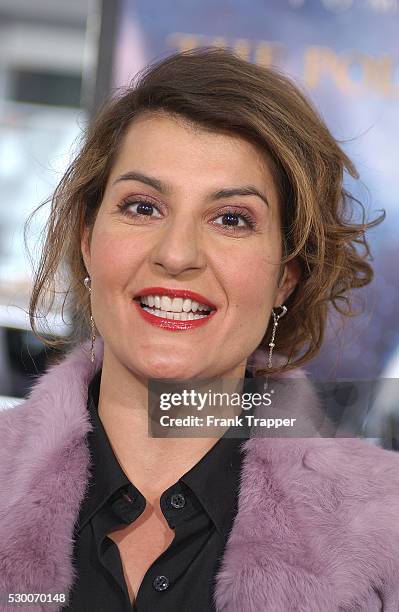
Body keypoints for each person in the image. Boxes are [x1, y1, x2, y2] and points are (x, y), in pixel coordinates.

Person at [0, 47, 398, 612]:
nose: (178, 254)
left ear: (285, 276)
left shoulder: (387, 534)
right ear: (88, 239)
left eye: (231, 218)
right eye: (142, 207)